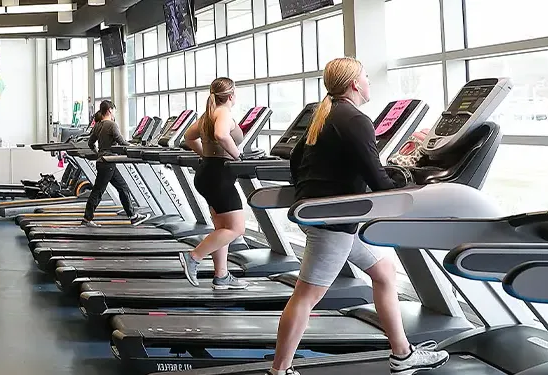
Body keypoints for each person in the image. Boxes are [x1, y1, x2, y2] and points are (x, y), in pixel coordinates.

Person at [269, 58, 447, 375]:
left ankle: (402, 354)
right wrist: (408, 186)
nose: (369, 81)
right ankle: (279, 370)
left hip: (331, 218)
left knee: (384, 272)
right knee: (305, 298)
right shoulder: (355, 119)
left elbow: (296, 160)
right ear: (354, 84)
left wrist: (311, 191)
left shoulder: (322, 115)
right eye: (366, 76)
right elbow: (377, 179)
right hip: (334, 222)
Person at [176, 77, 252, 290]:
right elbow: (221, 135)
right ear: (231, 95)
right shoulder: (224, 112)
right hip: (219, 176)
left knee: (222, 227)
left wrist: (206, 155)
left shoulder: (208, 114)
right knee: (237, 229)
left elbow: (188, 137)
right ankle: (193, 256)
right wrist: (237, 156)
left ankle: (221, 275)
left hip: (207, 172)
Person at [82, 100, 139, 226]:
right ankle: (87, 218)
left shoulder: (97, 125)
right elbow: (122, 142)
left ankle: (132, 216)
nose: (114, 113)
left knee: (122, 187)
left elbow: (90, 143)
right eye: (113, 111)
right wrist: (135, 147)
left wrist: (98, 153)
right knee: (98, 190)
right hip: (108, 163)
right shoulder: (111, 125)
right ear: (109, 110)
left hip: (104, 162)